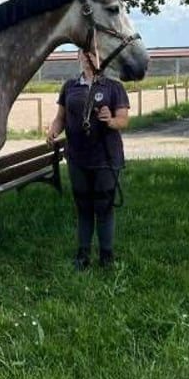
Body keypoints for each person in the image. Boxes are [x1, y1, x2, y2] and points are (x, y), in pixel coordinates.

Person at [46, 49, 130, 270]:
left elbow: (123, 120)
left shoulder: (113, 87)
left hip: (105, 158)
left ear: (101, 58)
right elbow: (60, 118)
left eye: (93, 53)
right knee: (83, 208)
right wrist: (53, 130)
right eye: (83, 53)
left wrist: (110, 120)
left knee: (104, 208)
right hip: (77, 158)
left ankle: (106, 257)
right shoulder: (70, 86)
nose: (88, 57)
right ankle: (82, 255)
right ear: (78, 57)